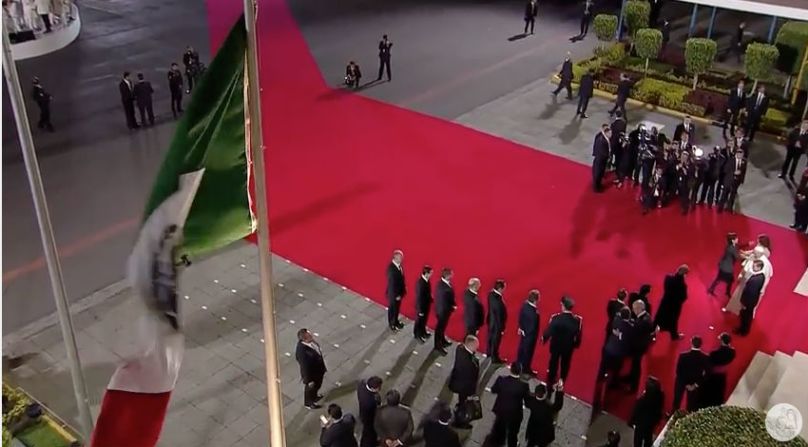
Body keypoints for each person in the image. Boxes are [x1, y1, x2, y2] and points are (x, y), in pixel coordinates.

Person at [485, 363, 530, 447]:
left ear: (511, 370)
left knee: (498, 427)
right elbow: (527, 402)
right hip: (514, 413)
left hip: (501, 409)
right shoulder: (524, 386)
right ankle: (512, 444)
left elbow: (493, 390)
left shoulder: (501, 380)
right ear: (520, 372)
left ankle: (496, 441)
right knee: (513, 432)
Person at [542, 296, 583, 386]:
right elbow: (578, 335)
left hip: (556, 346)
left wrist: (544, 338)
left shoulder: (556, 318)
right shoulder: (577, 321)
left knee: (553, 362)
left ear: (563, 306)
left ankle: (551, 378)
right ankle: (562, 379)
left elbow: (549, 331)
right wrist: (576, 345)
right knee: (565, 364)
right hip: (568, 347)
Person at [726, 243, 773, 315]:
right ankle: (734, 309)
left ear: (760, 254)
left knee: (748, 300)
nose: (754, 254)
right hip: (744, 280)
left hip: (752, 285)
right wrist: (741, 275)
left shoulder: (765, 264)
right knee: (738, 295)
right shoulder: (753, 256)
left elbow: (764, 277)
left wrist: (762, 289)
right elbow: (746, 266)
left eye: (756, 253)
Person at [448, 335, 480, 429]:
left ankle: (459, 408)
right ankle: (459, 422)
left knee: (461, 400)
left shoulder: (460, 349)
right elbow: (472, 377)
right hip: (464, 386)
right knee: (463, 403)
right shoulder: (470, 363)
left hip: (457, 381)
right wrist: (473, 392)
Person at [672, 336, 709, 412]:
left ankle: (674, 414)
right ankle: (688, 417)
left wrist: (685, 384)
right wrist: (695, 385)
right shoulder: (705, 357)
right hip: (695, 382)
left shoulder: (683, 356)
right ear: (701, 344)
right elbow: (707, 373)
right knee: (691, 404)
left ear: (691, 343)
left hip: (681, 382)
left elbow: (678, 371)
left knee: (677, 399)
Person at [698, 333, 736, 408]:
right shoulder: (733, 351)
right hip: (722, 372)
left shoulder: (715, 353)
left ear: (722, 341)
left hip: (713, 372)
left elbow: (710, 362)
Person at [599, 307, 632, 387]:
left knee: (604, 364)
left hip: (609, 348)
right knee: (616, 368)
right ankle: (613, 382)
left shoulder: (616, 320)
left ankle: (601, 375)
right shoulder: (630, 327)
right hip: (619, 352)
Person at [654, 265, 689, 340]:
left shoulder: (668, 278)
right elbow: (684, 297)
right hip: (675, 306)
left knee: (659, 316)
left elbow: (665, 288)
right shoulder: (683, 285)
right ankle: (674, 336)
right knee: (673, 321)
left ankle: (653, 331)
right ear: (685, 274)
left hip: (665, 302)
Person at [626, 300, 654, 391]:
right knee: (634, 365)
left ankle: (633, 386)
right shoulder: (646, 316)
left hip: (639, 347)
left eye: (634, 308)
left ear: (639, 309)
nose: (633, 310)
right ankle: (631, 377)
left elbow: (635, 331)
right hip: (640, 345)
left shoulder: (643, 321)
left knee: (636, 366)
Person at [524, 382, 564, 447]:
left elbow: (527, 400)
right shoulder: (548, 407)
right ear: (545, 394)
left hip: (533, 428)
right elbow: (558, 405)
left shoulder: (531, 402)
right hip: (544, 432)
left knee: (531, 442)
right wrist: (559, 391)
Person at [295, 328, 327, 409]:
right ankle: (309, 403)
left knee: (317, 386)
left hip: (319, 370)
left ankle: (315, 396)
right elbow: (305, 367)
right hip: (312, 375)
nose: (311, 336)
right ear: (304, 339)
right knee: (310, 389)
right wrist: (308, 380)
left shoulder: (311, 342)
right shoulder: (302, 351)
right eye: (309, 336)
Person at [630, 377, 665, 447]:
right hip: (651, 423)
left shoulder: (642, 401)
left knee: (638, 441)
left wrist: (631, 421)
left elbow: (636, 411)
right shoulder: (659, 397)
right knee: (648, 438)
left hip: (641, 424)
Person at [736, 260, 766, 336]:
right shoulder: (762, 276)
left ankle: (743, 331)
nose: (753, 267)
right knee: (747, 316)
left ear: (759, 267)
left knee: (745, 317)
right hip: (752, 301)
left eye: (754, 266)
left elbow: (750, 293)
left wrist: (744, 303)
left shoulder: (756, 280)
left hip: (748, 302)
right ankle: (743, 329)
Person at [707, 232, 740, 298]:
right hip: (727, 269)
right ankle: (727, 292)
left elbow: (737, 248)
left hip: (723, 266)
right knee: (730, 281)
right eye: (736, 238)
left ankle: (711, 289)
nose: (738, 239)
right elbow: (738, 258)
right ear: (733, 240)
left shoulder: (729, 246)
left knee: (718, 279)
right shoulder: (732, 249)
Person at [517, 290, 541, 376]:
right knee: (528, 352)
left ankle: (518, 365)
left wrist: (521, 328)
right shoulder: (535, 314)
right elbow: (532, 327)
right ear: (536, 300)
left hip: (524, 333)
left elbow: (520, 317)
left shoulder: (525, 305)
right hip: (530, 336)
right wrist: (527, 332)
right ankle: (525, 369)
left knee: (522, 350)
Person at [434, 267, 456, 355]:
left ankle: (442, 340)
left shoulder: (443, 284)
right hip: (443, 311)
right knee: (439, 328)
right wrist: (452, 307)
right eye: (451, 274)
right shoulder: (444, 287)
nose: (452, 275)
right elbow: (444, 301)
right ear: (447, 276)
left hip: (443, 311)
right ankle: (438, 346)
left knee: (442, 328)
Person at [718, 149, 747, 214]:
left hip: (736, 181)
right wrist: (734, 172)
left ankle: (729, 208)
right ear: (736, 154)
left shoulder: (744, 161)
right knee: (724, 194)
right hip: (728, 180)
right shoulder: (731, 160)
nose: (740, 155)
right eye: (739, 153)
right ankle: (720, 208)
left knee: (732, 195)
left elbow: (744, 171)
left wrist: (741, 180)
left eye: (742, 153)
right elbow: (725, 169)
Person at [357, 376, 383, 447]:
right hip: (369, 418)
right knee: (369, 433)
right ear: (373, 388)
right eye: (379, 387)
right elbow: (375, 410)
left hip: (362, 412)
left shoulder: (361, 385)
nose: (380, 389)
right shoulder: (370, 402)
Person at [487, 280, 507, 364]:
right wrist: (502, 328)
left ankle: (489, 352)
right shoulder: (498, 301)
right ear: (499, 289)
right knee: (496, 341)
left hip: (491, 321)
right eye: (503, 288)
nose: (504, 290)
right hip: (497, 325)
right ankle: (494, 358)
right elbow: (499, 315)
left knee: (491, 338)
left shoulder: (490, 294)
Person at [386, 250, 406, 331]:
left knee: (397, 308)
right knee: (392, 309)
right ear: (395, 257)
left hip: (398, 293)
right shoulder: (391, 269)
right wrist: (397, 295)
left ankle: (396, 321)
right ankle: (392, 324)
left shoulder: (399, 266)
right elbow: (392, 284)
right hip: (394, 294)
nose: (401, 258)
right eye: (400, 257)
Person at [414, 265, 433, 342]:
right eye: (430, 273)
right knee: (419, 321)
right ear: (426, 273)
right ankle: (417, 334)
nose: (431, 275)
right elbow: (419, 298)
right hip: (421, 307)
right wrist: (420, 310)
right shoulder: (421, 283)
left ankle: (423, 332)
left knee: (424, 320)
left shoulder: (426, 280)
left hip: (426, 305)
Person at [592, 125, 612, 193]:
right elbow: (602, 152)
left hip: (602, 160)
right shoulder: (601, 140)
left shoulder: (605, 138)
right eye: (610, 133)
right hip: (600, 160)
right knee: (598, 173)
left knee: (600, 173)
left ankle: (598, 185)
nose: (611, 135)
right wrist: (607, 156)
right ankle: (596, 188)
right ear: (606, 133)